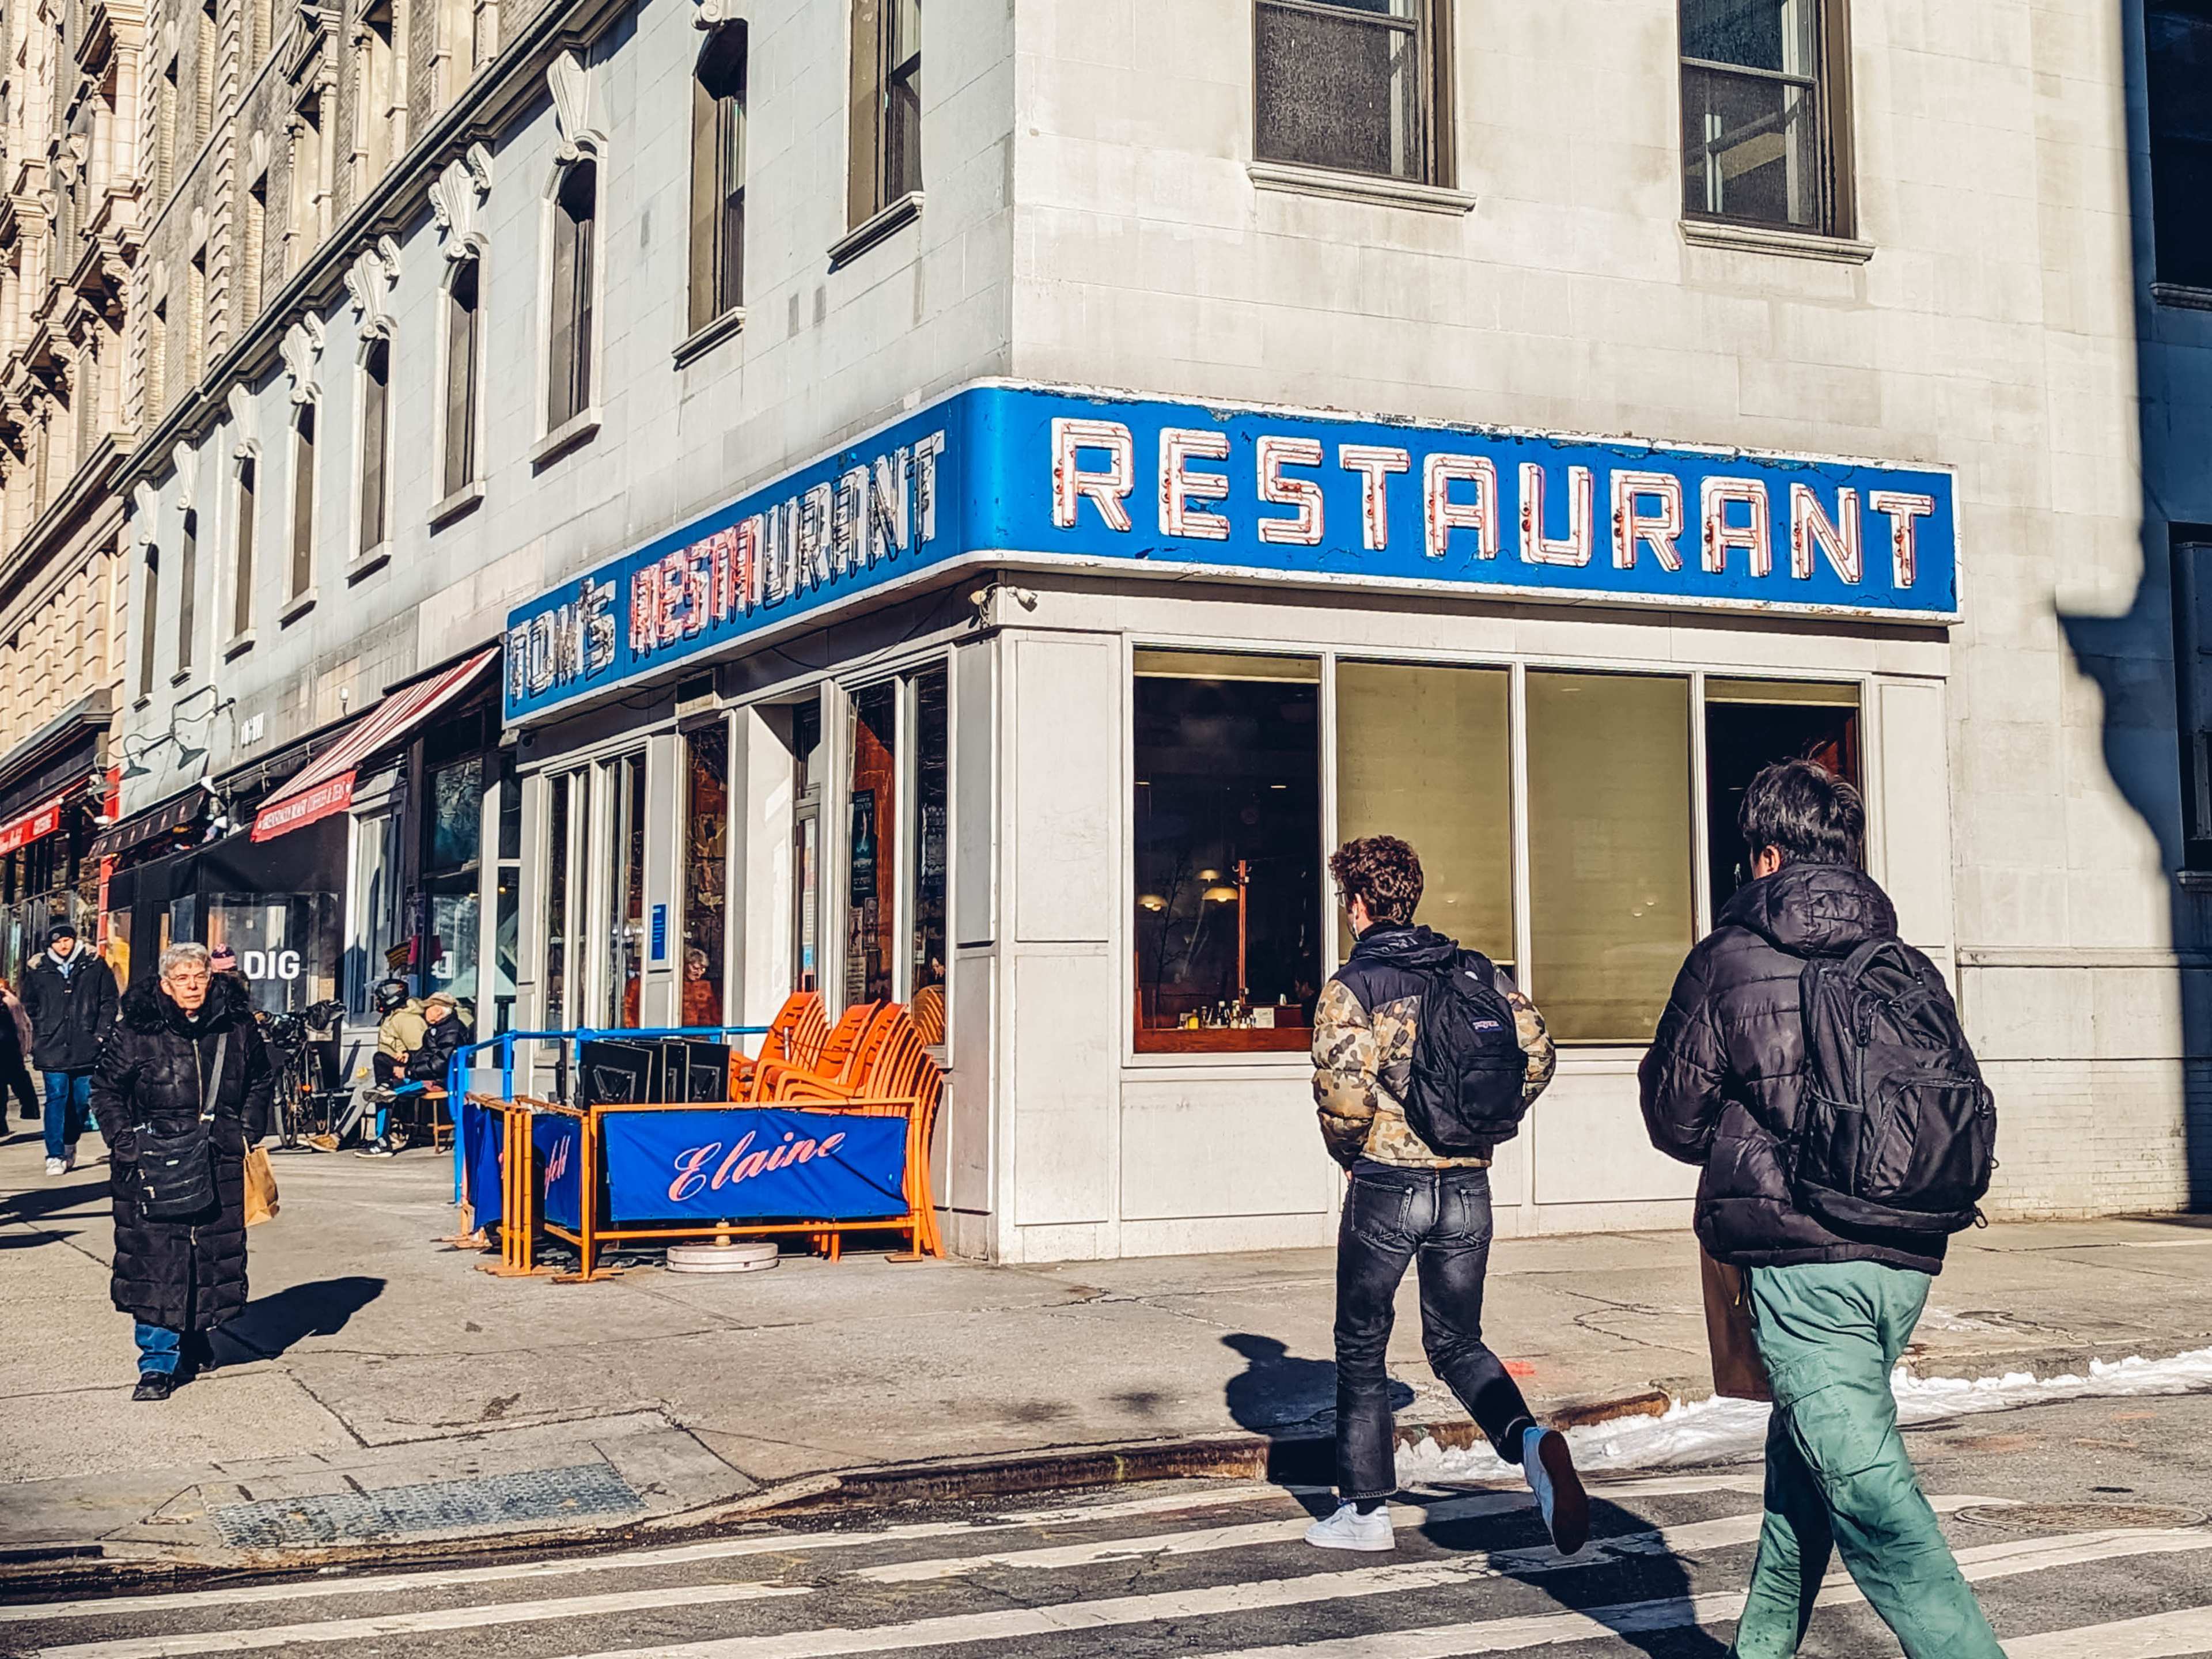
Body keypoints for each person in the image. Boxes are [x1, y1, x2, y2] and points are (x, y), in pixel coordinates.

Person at [1639, 760, 2002, 1659]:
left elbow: (1674, 1119)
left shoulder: (1726, 958)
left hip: (1806, 1266)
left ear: (1764, 854)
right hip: (1909, 1257)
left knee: (1872, 1498)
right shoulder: (1902, 960)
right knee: (1812, 1463)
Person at [1305, 834, 1586, 1556]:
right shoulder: (1477, 970)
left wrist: (1350, 1156)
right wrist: (1482, 1122)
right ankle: (1527, 1443)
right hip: (1467, 1184)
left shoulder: (1354, 985)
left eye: (1347, 899)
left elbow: (1344, 1094)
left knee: (1363, 1344)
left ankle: (1365, 1511)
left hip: (1387, 1186)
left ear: (1360, 905)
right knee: (1457, 1341)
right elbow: (1540, 1054)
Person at [89, 942, 273, 1403]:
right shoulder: (136, 1029)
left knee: (209, 1251)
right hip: (154, 1159)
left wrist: (246, 1131)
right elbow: (105, 1089)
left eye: (200, 977)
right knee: (156, 1259)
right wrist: (125, 1141)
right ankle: (156, 1363)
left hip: (218, 1155)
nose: (192, 986)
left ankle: (195, 1335)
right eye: (183, 978)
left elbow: (260, 1080)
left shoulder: (236, 1024)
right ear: (166, 984)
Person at [23, 919, 120, 1175]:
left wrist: (100, 1034)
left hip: (85, 1044)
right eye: (57, 941)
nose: (63, 944)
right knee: (56, 1098)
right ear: (50, 944)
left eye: (67, 939)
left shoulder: (93, 964)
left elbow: (108, 999)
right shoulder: (39, 969)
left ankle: (69, 1142)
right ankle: (54, 1154)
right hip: (51, 1045)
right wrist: (39, 1033)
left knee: (81, 1101)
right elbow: (29, 1004)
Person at [360, 977, 427, 1157]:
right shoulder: (393, 1016)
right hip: (406, 1072)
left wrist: (407, 1062)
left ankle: (382, 1142)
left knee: (384, 1096)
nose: (377, 1001)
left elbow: (422, 1052)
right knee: (382, 1091)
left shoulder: (406, 1019)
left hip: (421, 1077)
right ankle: (380, 1138)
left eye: (380, 997)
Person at [0, 983, 38, 1131]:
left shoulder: (9, 1002)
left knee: (12, 1082)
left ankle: (29, 1107)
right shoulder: (11, 1001)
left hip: (8, 1048)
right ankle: (30, 1108)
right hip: (11, 1048)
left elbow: (22, 1026)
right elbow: (24, 1026)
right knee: (16, 1080)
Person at [681, 949, 720, 1028]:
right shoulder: (678, 986)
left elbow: (714, 1013)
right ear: (685, 965)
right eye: (695, 968)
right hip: (682, 1032)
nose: (699, 974)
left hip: (704, 1032)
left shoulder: (706, 986)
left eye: (702, 970)